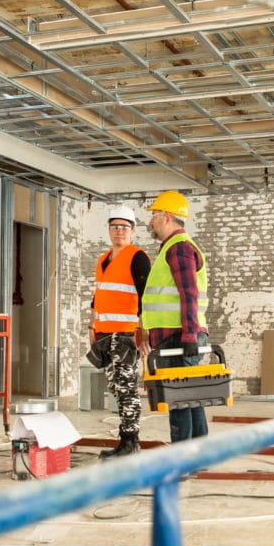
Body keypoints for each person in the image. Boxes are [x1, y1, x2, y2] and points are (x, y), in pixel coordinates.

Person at [141, 190, 210, 442]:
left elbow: (188, 293)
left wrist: (190, 335)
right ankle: (196, 455)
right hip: (176, 336)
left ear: (168, 217)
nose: (151, 221)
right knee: (189, 398)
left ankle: (181, 459)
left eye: (155, 215)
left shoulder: (179, 248)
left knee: (180, 400)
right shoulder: (172, 248)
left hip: (180, 337)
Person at [88, 206, 151, 459]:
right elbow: (99, 296)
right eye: (114, 226)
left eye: (124, 227)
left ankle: (130, 442)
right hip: (105, 334)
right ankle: (126, 441)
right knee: (115, 387)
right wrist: (92, 326)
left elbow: (146, 296)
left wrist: (145, 331)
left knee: (126, 388)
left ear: (132, 231)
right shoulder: (104, 259)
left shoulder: (137, 256)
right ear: (109, 230)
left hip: (126, 334)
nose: (119, 231)